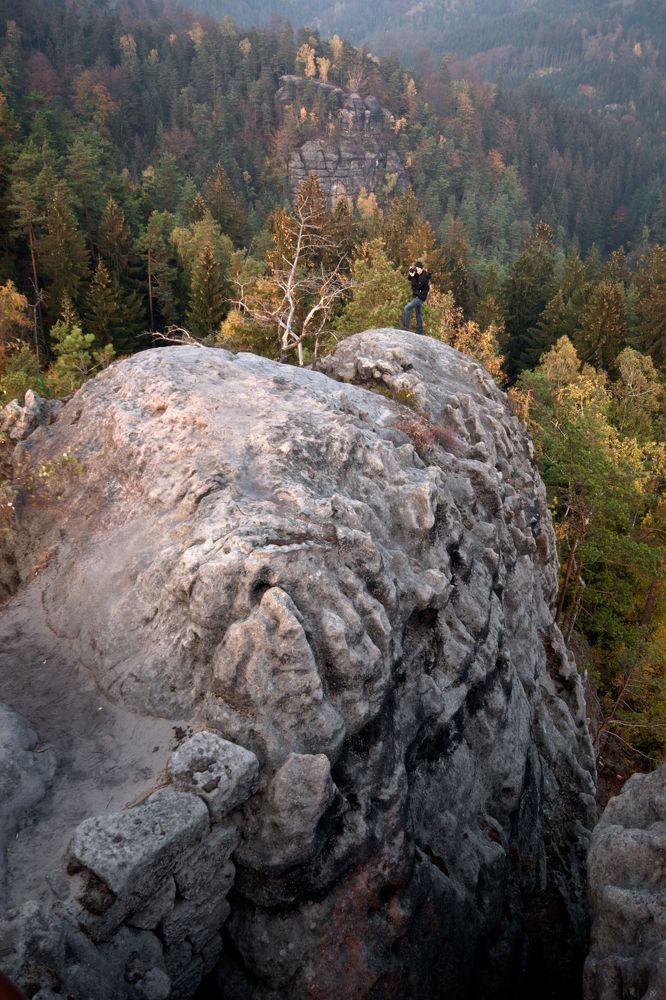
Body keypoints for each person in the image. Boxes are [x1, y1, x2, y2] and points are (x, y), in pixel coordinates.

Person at [403, 261, 431, 335]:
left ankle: (406, 328)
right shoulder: (417, 273)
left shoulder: (424, 277)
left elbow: (416, 286)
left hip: (420, 297)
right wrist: (411, 273)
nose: (417, 271)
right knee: (418, 313)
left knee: (407, 308)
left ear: (422, 269)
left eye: (418, 269)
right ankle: (419, 331)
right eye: (416, 269)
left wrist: (413, 277)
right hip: (416, 295)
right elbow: (409, 278)